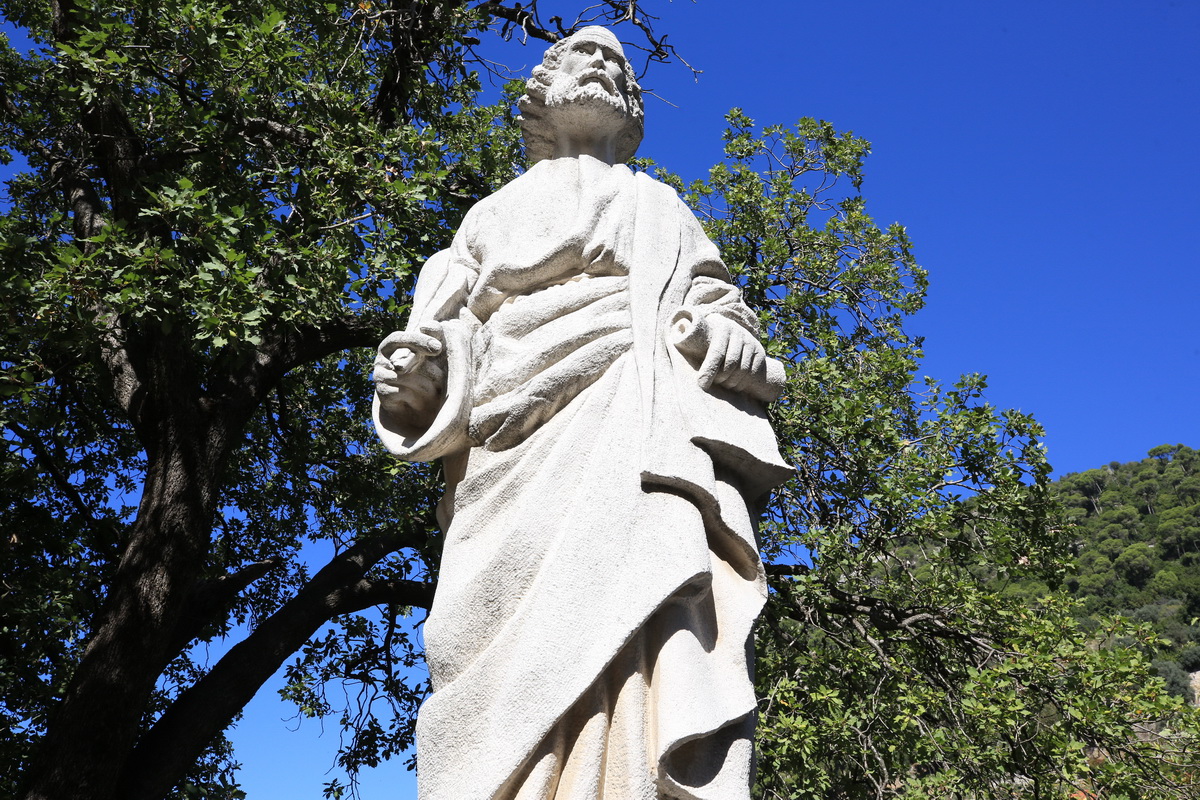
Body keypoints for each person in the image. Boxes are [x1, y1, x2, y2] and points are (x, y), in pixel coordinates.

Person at [373, 26, 790, 800]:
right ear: (545, 84)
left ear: (632, 106)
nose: (602, 63)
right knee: (495, 640)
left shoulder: (660, 208)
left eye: (618, 62)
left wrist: (724, 334)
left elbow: (717, 304)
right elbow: (434, 343)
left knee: (646, 596)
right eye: (583, 53)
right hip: (506, 455)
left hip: (635, 425)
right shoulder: (485, 219)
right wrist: (412, 384)